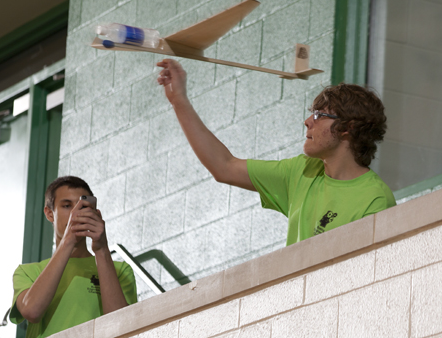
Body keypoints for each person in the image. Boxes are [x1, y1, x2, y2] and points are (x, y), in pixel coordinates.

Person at [157, 59, 396, 245]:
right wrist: (179, 100)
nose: (307, 121)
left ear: (348, 128)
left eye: (319, 116)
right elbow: (223, 166)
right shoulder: (303, 171)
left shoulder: (374, 199)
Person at [10, 176, 137, 338]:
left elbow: (122, 326)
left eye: (82, 206)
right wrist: (68, 240)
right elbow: (31, 311)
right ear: (50, 214)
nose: (75, 213)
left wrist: (101, 249)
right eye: (67, 206)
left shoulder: (120, 270)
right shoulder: (28, 272)